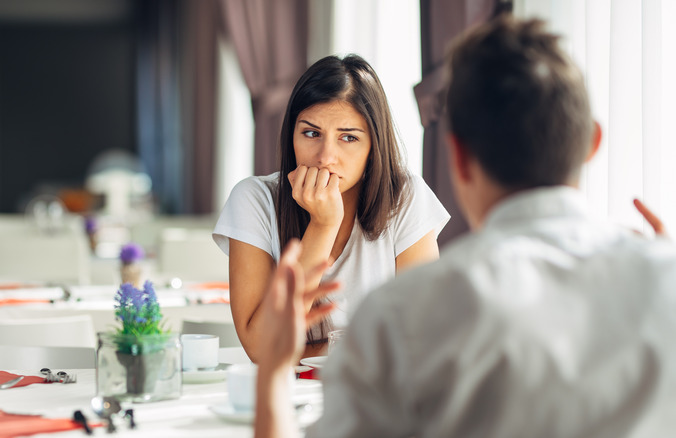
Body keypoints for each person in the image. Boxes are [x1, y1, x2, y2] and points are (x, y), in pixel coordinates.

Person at [255, 16, 676, 438]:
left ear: (457, 156)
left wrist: (274, 373)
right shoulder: (665, 281)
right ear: (592, 143)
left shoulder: (400, 315)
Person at [213, 55, 450, 362]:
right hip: (285, 396)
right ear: (291, 137)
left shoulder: (405, 198)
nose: (326, 157)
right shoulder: (254, 199)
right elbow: (261, 347)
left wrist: (312, 350)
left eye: (348, 138)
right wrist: (323, 226)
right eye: (311, 133)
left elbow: (420, 339)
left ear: (373, 147)